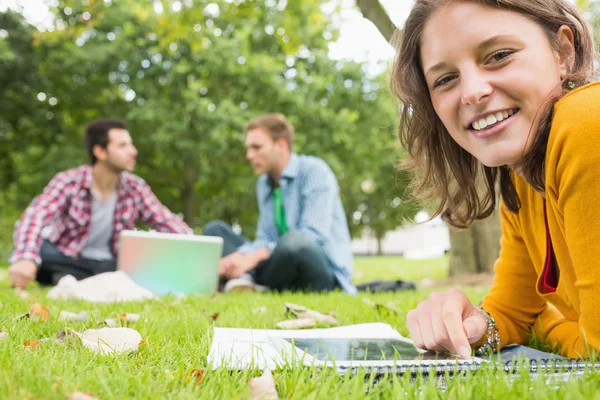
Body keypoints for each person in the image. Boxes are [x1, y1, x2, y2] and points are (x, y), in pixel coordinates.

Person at [394, 0, 599, 359]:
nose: (472, 92)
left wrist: (549, 326)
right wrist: (472, 325)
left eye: (499, 55)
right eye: (445, 79)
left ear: (563, 52)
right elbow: (511, 313)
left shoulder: (587, 125)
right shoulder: (523, 175)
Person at [8, 119, 192, 289]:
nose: (133, 151)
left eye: (131, 144)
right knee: (43, 250)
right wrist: (26, 257)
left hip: (111, 263)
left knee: (144, 261)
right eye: (123, 145)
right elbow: (36, 215)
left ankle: (68, 279)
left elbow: (166, 221)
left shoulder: (135, 187)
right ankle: (76, 277)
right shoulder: (69, 181)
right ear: (100, 152)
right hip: (68, 257)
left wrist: (196, 248)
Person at [203, 113, 356, 294]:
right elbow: (265, 237)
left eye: (256, 147)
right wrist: (239, 256)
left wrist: (254, 257)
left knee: (293, 241)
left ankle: (247, 279)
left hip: (319, 270)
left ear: (281, 145)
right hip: (280, 262)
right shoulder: (264, 183)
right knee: (215, 232)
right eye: (248, 149)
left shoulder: (315, 171)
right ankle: (247, 280)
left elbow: (313, 235)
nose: (249, 155)